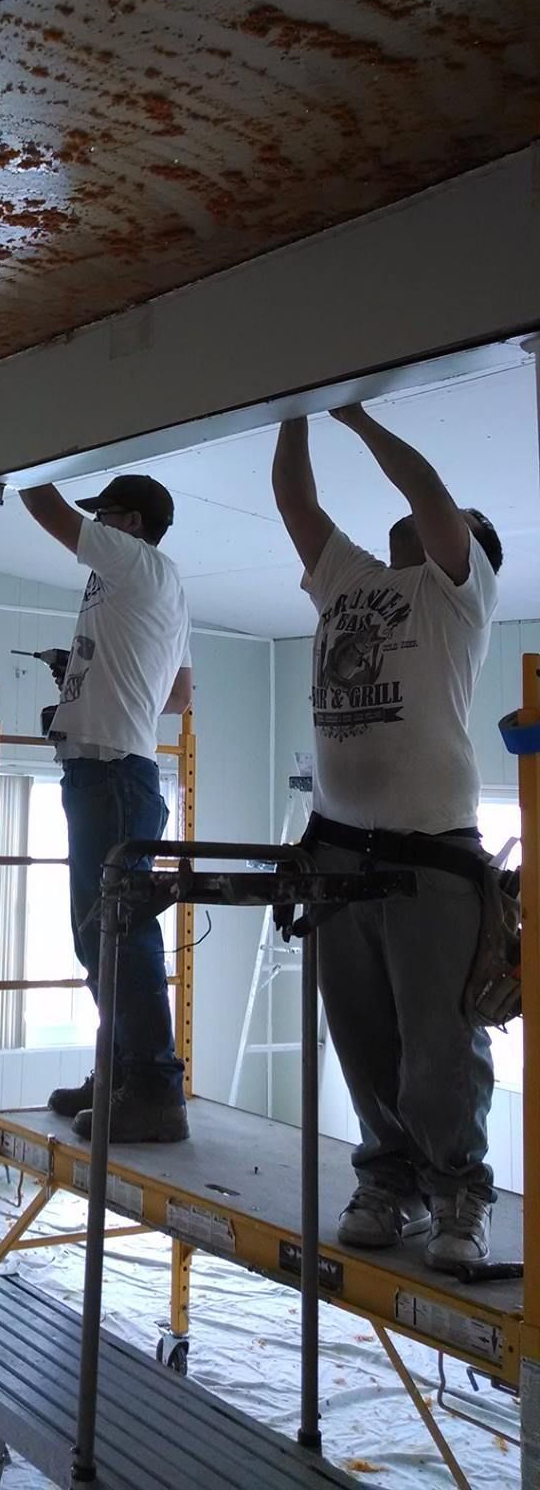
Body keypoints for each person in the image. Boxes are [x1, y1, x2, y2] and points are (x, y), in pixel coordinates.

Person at [272, 404, 504, 1269]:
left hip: (429, 855)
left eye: (460, 523)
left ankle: (458, 1194)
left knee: (438, 1042)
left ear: (471, 550)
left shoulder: (457, 593)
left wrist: (353, 411)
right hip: (338, 851)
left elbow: (428, 491)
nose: (437, 519)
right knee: (361, 1034)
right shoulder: (350, 577)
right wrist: (291, 409)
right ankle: (389, 1183)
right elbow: (296, 503)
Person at [19, 474, 193, 1143]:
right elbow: (179, 697)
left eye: (107, 516)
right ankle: (122, 1073)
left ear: (133, 523)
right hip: (109, 771)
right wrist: (93, 689)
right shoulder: (158, 586)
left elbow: (44, 505)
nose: (98, 526)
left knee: (120, 935)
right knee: (99, 936)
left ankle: (153, 1090)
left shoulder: (136, 560)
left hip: (115, 775)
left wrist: (8, 450)